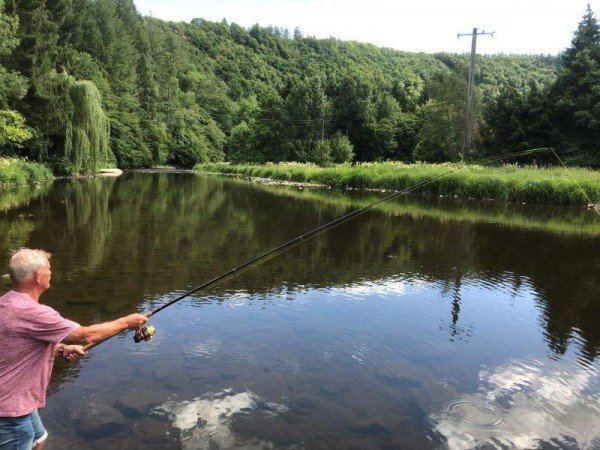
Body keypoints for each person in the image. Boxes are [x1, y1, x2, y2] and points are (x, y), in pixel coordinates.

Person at [0, 249, 148, 450]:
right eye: (49, 269)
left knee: (39, 438)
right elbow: (86, 335)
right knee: (24, 438)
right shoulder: (35, 313)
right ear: (38, 276)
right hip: (10, 412)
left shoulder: (6, 303)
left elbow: (15, 346)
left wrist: (61, 349)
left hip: (15, 401)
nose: (51, 273)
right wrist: (126, 322)